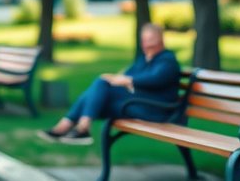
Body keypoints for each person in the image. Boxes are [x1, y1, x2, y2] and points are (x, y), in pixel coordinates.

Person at [38, 23, 180, 145]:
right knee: (99, 87)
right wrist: (117, 78)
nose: (147, 45)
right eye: (144, 40)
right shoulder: (145, 59)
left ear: (160, 40)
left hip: (156, 111)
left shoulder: (167, 60)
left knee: (101, 85)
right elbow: (126, 75)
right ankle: (73, 127)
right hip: (138, 104)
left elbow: (155, 78)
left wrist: (128, 80)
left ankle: (75, 127)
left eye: (151, 40)